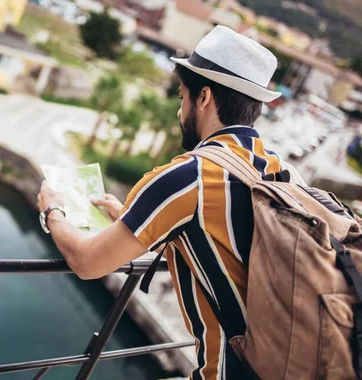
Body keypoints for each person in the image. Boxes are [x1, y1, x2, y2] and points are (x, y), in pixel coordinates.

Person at [37, 25, 283, 379]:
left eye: (182, 96)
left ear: (204, 97)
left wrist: (52, 211)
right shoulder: (278, 169)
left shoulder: (188, 176)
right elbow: (231, 248)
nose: (179, 110)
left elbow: (87, 262)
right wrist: (132, 218)